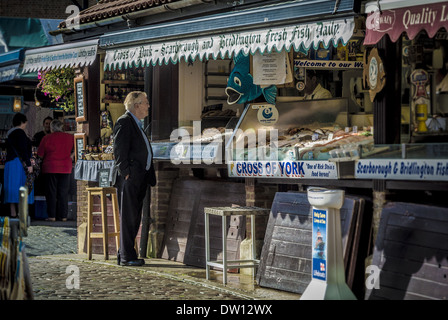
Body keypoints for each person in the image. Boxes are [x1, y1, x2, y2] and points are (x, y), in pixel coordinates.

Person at [113, 91, 156, 267]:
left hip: (140, 178)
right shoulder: (125, 121)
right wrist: (126, 172)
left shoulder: (136, 123)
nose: (148, 106)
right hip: (130, 178)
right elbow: (119, 149)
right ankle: (126, 257)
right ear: (136, 105)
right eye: (145, 102)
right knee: (129, 218)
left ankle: (125, 253)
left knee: (134, 217)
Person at [37, 119, 74, 222]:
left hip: (50, 167)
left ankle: (52, 216)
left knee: (51, 193)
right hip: (66, 167)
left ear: (52, 128)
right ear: (61, 127)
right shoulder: (69, 137)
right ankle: (63, 216)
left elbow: (40, 154)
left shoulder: (46, 138)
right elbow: (78, 147)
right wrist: (72, 155)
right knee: (63, 193)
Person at [4, 113, 34, 217]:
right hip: (18, 164)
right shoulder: (20, 133)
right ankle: (21, 212)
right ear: (22, 122)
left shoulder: (9, 134)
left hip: (10, 163)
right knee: (22, 187)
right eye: (25, 122)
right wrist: (29, 164)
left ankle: (13, 213)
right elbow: (23, 150)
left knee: (12, 187)